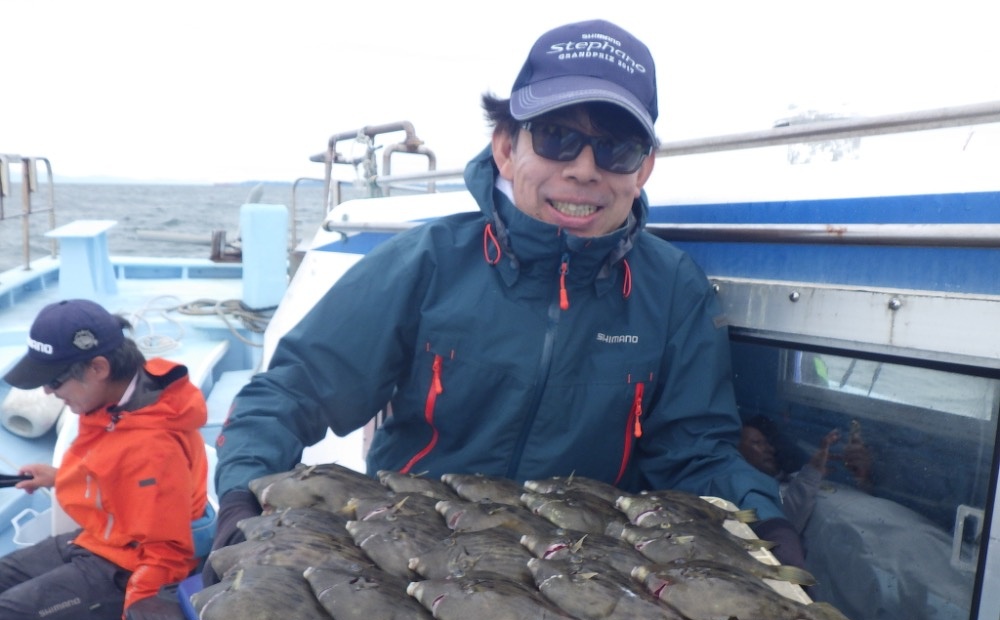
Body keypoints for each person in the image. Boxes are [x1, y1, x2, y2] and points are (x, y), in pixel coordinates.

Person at [210, 19, 804, 569]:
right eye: (557, 137)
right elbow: (293, 392)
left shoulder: (673, 291)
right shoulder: (427, 262)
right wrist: (243, 494)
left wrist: (766, 523)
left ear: (643, 169)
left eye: (617, 148)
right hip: (411, 552)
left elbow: (696, 454)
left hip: (583, 569)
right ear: (505, 147)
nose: (584, 169)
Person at [0, 299, 208, 620]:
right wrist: (58, 477)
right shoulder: (124, 397)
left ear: (97, 367)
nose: (49, 392)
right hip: (98, 540)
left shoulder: (153, 448)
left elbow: (167, 558)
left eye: (55, 380)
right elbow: (114, 474)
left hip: (124, 571)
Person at [739, 414, 873, 534]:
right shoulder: (754, 496)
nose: (770, 449)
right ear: (737, 452)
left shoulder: (801, 476)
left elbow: (862, 499)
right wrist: (813, 470)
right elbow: (783, 528)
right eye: (756, 443)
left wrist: (862, 476)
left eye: (768, 443)